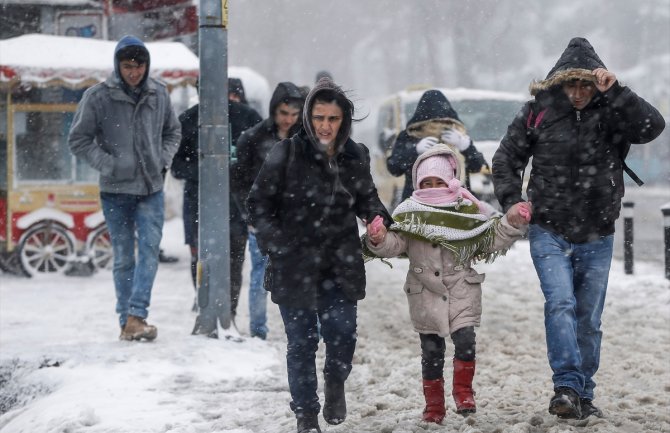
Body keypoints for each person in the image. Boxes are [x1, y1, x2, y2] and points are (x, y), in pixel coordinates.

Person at [492, 37, 665, 420]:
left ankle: (583, 393)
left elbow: (653, 126)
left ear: (596, 83)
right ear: (559, 83)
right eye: (572, 84)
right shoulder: (537, 111)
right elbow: (506, 159)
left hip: (597, 232)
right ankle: (566, 385)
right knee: (561, 304)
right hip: (548, 229)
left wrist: (617, 91)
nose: (579, 92)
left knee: (588, 318)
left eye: (586, 84)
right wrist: (511, 202)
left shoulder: (613, 109)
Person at [247, 77, 391, 433]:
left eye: (333, 119)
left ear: (344, 121)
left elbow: (368, 199)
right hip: (293, 263)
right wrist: (277, 242)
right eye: (319, 118)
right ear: (308, 119)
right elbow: (258, 205)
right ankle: (306, 416)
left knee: (342, 335)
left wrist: (377, 221)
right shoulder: (286, 153)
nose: (325, 126)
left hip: (339, 262)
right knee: (302, 343)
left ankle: (335, 380)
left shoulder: (354, 155)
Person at [363, 144, 530, 423]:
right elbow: (396, 243)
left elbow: (488, 239)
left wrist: (511, 221)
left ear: (451, 180)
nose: (431, 186)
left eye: (438, 181)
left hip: (461, 288)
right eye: (426, 182)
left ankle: (464, 392)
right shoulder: (408, 212)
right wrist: (378, 238)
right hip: (424, 292)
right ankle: (434, 406)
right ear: (417, 182)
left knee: (465, 342)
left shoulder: (465, 210)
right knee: (431, 352)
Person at [68, 35, 181, 341]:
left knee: (148, 251)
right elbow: (77, 140)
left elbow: (173, 132)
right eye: (128, 66)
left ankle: (136, 315)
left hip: (151, 187)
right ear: (118, 65)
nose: (134, 72)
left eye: (139, 65)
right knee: (123, 257)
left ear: (147, 65)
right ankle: (126, 321)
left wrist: (162, 159)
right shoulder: (98, 96)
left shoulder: (159, 93)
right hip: (115, 190)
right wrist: (109, 164)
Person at [171, 79, 262, 316]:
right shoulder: (188, 121)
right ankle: (205, 304)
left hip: (237, 204)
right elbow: (176, 166)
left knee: (234, 258)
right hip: (198, 202)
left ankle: (228, 312)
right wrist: (205, 170)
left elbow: (263, 159)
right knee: (200, 256)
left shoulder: (247, 118)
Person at [232, 81, 304, 340]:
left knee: (302, 274)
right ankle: (258, 330)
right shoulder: (253, 138)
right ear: (274, 110)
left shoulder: (304, 140)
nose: (288, 120)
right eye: (283, 113)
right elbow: (238, 182)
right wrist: (251, 216)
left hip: (298, 220)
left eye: (294, 115)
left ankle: (304, 328)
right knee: (261, 274)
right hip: (262, 220)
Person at [386, 90, 489, 204]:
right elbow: (394, 168)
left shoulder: (457, 135)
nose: (438, 125)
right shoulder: (410, 135)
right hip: (418, 202)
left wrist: (466, 147)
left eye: (443, 121)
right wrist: (415, 150)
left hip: (456, 202)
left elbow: (477, 166)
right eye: (433, 122)